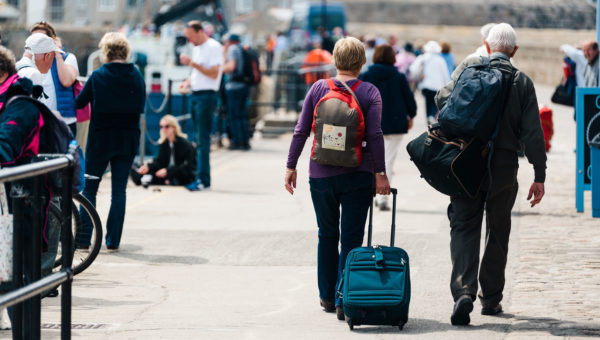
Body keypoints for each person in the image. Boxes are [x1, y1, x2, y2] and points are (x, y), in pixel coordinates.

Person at [435, 23, 547, 326]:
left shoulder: (469, 70)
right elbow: (533, 134)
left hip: (466, 163)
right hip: (503, 167)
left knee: (463, 226)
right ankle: (492, 298)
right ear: (514, 50)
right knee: (498, 231)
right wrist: (540, 174)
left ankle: (463, 291)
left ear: (487, 46)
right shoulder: (522, 82)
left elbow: (441, 101)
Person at [284, 36, 390, 321]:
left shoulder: (319, 88)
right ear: (361, 62)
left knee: (326, 234)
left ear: (335, 60)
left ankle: (326, 296)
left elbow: (301, 129)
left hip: (320, 174)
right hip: (358, 174)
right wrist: (381, 173)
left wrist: (291, 165)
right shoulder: (369, 92)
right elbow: (375, 136)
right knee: (352, 239)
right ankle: (346, 297)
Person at [75, 32, 146, 251]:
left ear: (105, 52)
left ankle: (84, 239)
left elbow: (80, 103)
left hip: (100, 141)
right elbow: (141, 106)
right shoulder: (137, 76)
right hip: (127, 140)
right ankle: (113, 241)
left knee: (89, 190)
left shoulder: (97, 76)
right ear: (125, 52)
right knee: (119, 191)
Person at [0, 45, 48, 334]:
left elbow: (6, 146)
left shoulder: (21, 103)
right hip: (9, 201)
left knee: (16, 280)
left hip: (19, 203)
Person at [359, 44, 416, 211]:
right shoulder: (399, 76)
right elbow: (409, 100)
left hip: (372, 123)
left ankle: (370, 192)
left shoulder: (366, 75)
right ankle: (383, 197)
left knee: (371, 160)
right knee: (388, 161)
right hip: (396, 123)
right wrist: (410, 115)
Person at [178, 20, 223, 191]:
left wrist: (192, 63)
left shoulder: (213, 46)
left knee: (202, 138)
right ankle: (200, 177)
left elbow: (213, 73)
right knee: (198, 138)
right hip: (197, 94)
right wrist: (188, 82)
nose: (190, 40)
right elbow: (200, 73)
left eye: (191, 36)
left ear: (199, 32)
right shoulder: (197, 48)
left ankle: (203, 180)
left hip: (207, 95)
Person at [30, 22, 80, 136]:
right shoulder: (30, 62)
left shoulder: (67, 58)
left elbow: (66, 81)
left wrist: (57, 55)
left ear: (52, 39)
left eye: (41, 39)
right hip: (40, 122)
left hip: (64, 122)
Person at [132, 115, 196, 187]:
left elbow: (186, 165)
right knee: (154, 171)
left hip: (183, 174)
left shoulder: (184, 144)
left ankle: (150, 179)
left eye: (166, 126)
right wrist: (148, 167)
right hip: (169, 173)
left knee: (171, 174)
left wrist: (167, 171)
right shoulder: (165, 143)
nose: (163, 129)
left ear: (174, 127)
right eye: (161, 127)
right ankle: (141, 176)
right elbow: (160, 161)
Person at [409, 40, 450, 125]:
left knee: (428, 102)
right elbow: (445, 74)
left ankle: (429, 117)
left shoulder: (423, 57)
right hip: (437, 86)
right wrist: (448, 86)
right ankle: (431, 116)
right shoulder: (440, 60)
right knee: (435, 103)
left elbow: (413, 69)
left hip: (426, 85)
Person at [222, 34, 251, 150]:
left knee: (234, 115)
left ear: (230, 42)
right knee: (242, 115)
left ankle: (236, 141)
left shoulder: (232, 49)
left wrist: (218, 70)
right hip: (244, 85)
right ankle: (245, 141)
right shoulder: (242, 48)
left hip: (234, 87)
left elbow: (231, 67)